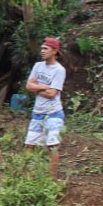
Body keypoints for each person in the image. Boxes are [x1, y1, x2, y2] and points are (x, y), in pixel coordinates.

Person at [24, 37, 66, 179]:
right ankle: (29, 177)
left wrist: (35, 88)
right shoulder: (37, 66)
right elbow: (28, 86)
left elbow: (52, 93)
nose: (42, 51)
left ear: (54, 51)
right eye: (42, 48)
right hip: (37, 112)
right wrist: (42, 86)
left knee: (52, 146)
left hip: (53, 113)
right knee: (29, 144)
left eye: (45, 49)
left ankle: (51, 179)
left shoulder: (59, 70)